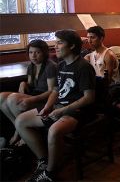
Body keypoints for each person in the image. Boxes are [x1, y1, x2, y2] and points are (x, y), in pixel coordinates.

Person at [15, 29, 96, 182]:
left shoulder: (83, 67)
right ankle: (43, 161)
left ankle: (50, 173)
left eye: (59, 43)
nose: (55, 46)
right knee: (21, 121)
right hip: (58, 107)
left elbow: (89, 98)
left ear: (71, 46)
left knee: (53, 130)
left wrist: (62, 110)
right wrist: (47, 106)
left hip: (77, 111)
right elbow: (56, 90)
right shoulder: (62, 65)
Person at [0, 40, 57, 147]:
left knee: (13, 99)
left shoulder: (50, 66)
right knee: (1, 97)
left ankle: (22, 132)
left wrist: (31, 99)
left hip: (45, 100)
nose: (33, 56)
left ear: (44, 53)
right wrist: (23, 83)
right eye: (31, 52)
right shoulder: (32, 66)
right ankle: (19, 129)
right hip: (34, 94)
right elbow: (31, 85)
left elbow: (51, 91)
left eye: (37, 52)